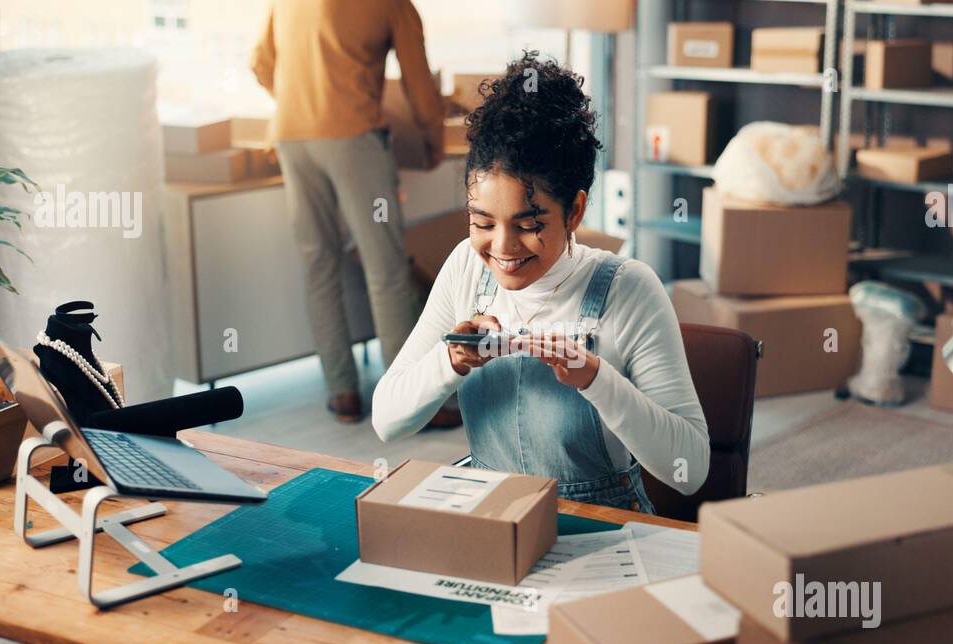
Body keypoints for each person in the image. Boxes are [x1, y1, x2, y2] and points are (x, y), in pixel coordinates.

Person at [372, 53, 709, 512]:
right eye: (483, 222)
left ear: (575, 211)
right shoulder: (466, 268)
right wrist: (450, 360)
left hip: (601, 527)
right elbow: (386, 421)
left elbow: (689, 469)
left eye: (528, 224)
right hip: (491, 513)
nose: (503, 248)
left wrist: (595, 379)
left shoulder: (628, 289)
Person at [252, 0, 447, 424]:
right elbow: (418, 81)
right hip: (354, 137)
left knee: (319, 264)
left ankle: (342, 393)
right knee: (386, 269)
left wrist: (303, 102)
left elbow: (261, 62)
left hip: (291, 137)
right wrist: (434, 135)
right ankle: (407, 404)